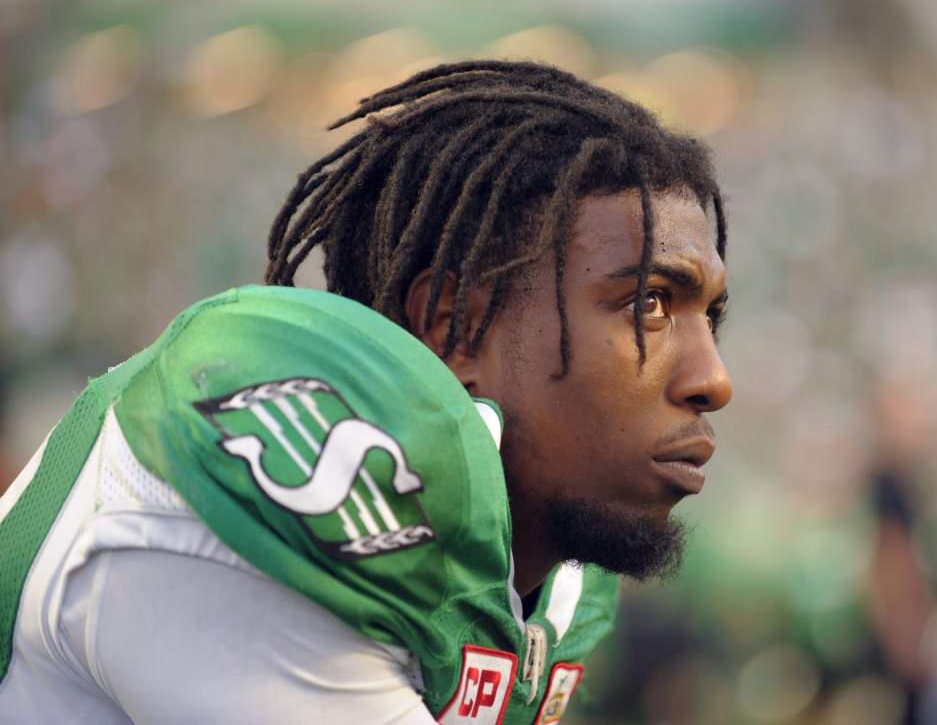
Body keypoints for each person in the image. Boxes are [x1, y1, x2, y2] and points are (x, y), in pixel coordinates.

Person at [0, 60, 732, 724]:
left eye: (712, 318)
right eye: (649, 304)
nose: (713, 379)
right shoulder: (263, 498)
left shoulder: (549, 574)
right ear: (456, 328)